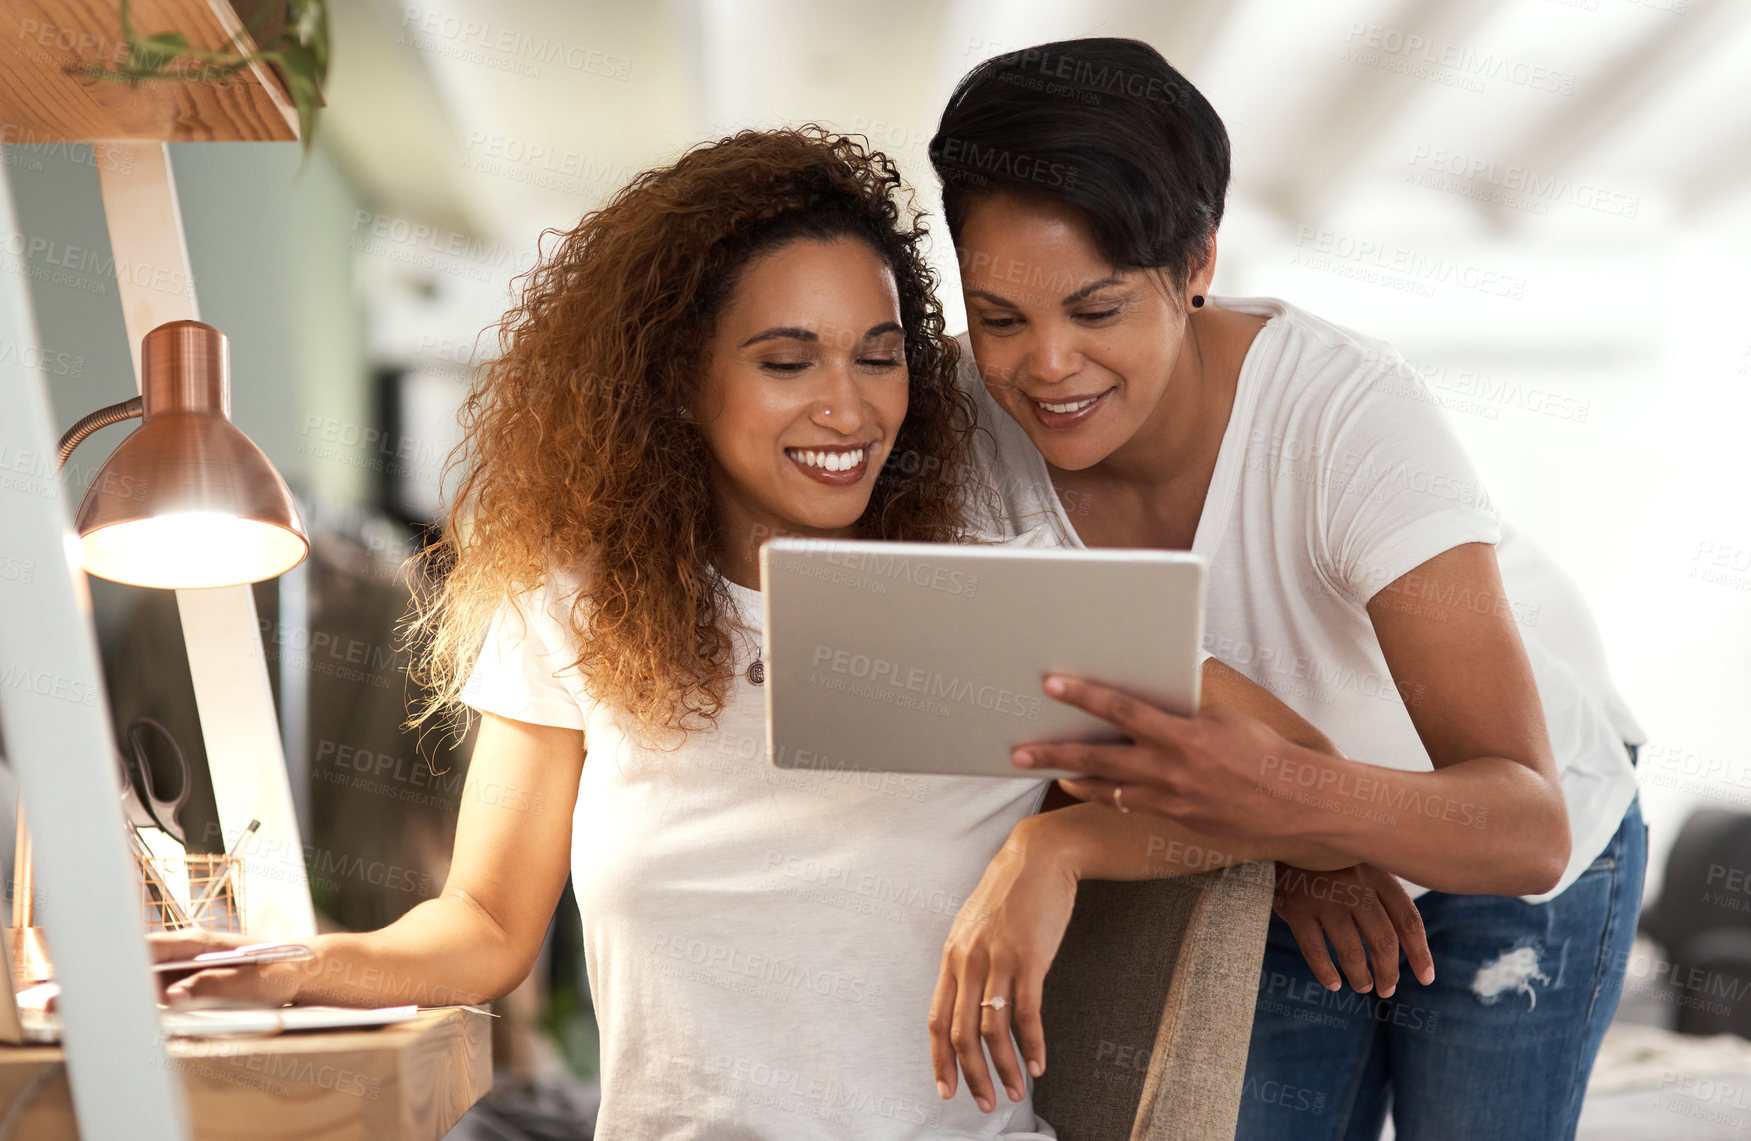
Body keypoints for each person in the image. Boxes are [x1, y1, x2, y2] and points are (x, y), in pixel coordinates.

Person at [147, 127, 1386, 1138]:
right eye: (787, 360)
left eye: (881, 356)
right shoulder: (571, 607)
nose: (847, 406)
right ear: (683, 379)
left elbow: (1276, 774)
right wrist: (287, 967)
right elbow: (480, 927)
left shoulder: (986, 597)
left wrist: (1055, 853)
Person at [926, 38, 1646, 1141]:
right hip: (1256, 833)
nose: (1046, 367)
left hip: (1500, 845)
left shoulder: (1346, 420)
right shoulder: (966, 441)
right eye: (999, 318)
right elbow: (1068, 740)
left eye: (1097, 308)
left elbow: (1526, 823)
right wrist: (1274, 842)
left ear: (1196, 261)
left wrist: (1292, 811)